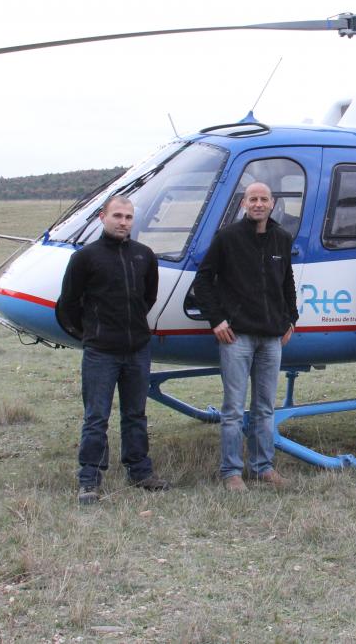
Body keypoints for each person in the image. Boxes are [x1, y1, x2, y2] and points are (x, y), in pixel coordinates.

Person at [56, 195, 170, 504]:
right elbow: (67, 306)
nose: (123, 222)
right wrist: (91, 334)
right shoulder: (85, 258)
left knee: (136, 414)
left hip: (137, 350)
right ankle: (89, 479)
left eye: (128, 217)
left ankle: (140, 471)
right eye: (117, 216)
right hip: (100, 353)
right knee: (96, 417)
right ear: (102, 217)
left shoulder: (144, 256)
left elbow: (148, 298)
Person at [191, 182, 298, 492]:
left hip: (271, 338)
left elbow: (287, 282)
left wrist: (291, 319)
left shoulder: (281, 238)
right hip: (236, 337)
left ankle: (264, 467)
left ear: (272, 203)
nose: (259, 204)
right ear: (244, 204)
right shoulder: (227, 238)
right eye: (253, 199)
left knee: (265, 407)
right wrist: (217, 320)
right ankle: (232, 472)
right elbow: (204, 281)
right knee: (234, 408)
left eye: (264, 199)